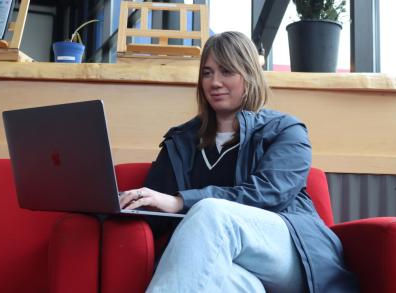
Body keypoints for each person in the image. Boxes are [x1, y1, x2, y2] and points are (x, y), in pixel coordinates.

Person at [119, 31, 358, 292]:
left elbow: (268, 194)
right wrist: (115, 205)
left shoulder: (286, 130)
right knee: (232, 282)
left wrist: (180, 201)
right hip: (226, 259)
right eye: (207, 73)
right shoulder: (181, 141)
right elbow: (151, 212)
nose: (215, 82)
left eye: (226, 71)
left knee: (211, 211)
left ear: (249, 75)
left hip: (290, 252)